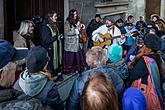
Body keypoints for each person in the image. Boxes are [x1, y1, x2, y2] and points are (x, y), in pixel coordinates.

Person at [0, 40, 43, 109]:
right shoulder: (31, 107)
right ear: (1, 75)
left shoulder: (10, 93)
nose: (16, 67)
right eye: (15, 62)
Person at [128, 34, 163, 110]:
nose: (141, 45)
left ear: (149, 49)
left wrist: (136, 59)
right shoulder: (158, 57)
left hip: (146, 96)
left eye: (143, 44)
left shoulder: (145, 61)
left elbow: (132, 76)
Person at [63, 9, 87, 75]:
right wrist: (75, 31)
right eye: (74, 14)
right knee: (71, 58)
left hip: (77, 43)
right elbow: (67, 32)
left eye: (76, 14)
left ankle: (78, 69)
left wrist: (81, 27)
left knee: (79, 56)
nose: (76, 15)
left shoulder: (77, 21)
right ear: (71, 15)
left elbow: (79, 29)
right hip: (71, 43)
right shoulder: (67, 22)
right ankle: (70, 70)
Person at [40, 11, 63, 78]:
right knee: (51, 63)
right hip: (50, 49)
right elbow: (46, 40)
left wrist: (60, 36)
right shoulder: (45, 27)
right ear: (50, 17)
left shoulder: (55, 25)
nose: (56, 17)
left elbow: (56, 36)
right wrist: (56, 37)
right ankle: (52, 76)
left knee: (57, 61)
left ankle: (58, 74)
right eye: (55, 16)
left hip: (56, 48)